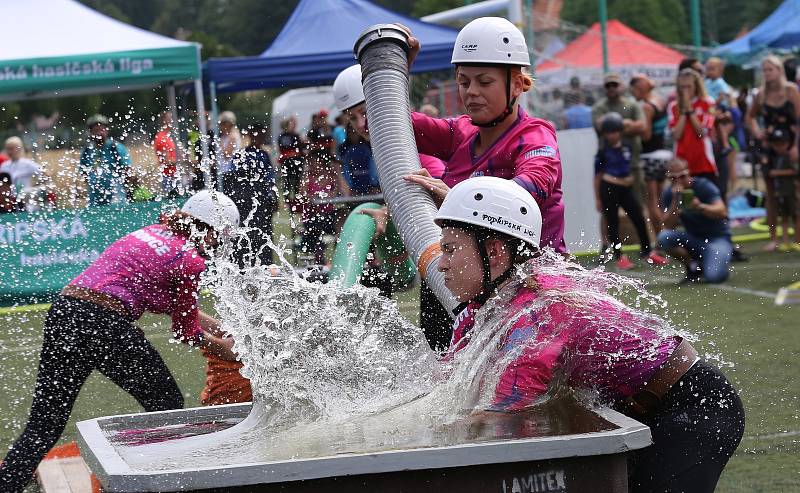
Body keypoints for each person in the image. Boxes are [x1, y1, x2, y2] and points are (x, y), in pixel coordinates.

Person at [434, 176, 744, 493]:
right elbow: (446, 378)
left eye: (449, 249)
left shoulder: (544, 309)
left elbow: (504, 412)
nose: (441, 263)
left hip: (694, 407)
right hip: (638, 405)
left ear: (496, 252)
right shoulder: (493, 300)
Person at [0, 190, 240, 493]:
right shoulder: (189, 260)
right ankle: (142, 478)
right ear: (212, 229)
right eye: (222, 235)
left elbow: (174, 306)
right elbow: (186, 332)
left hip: (66, 310)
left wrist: (224, 328)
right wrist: (232, 350)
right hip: (103, 321)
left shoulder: (152, 232)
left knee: (44, 424)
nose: (220, 244)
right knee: (166, 404)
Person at [333, 62, 451, 350]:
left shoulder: (410, 138)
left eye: (365, 111)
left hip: (450, 259)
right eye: (353, 117)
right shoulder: (389, 146)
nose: (361, 124)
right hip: (440, 259)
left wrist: (388, 211)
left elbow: (427, 179)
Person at [594, 113, 667, 270]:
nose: (611, 135)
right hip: (609, 187)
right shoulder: (602, 151)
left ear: (620, 131)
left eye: (614, 131)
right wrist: (598, 198)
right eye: (608, 132)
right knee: (613, 222)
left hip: (626, 188)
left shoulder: (627, 145)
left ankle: (647, 251)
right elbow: (597, 176)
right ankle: (619, 255)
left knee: (639, 218)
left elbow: (638, 127)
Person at [746, 55, 800, 251]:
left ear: (779, 71)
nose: (767, 74)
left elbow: (798, 120)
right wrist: (757, 132)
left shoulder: (791, 90)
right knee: (770, 193)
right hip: (769, 147)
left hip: (790, 144)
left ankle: (796, 236)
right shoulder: (761, 95)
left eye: (770, 69)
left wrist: (795, 146)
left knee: (794, 190)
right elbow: (750, 117)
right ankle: (774, 237)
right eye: (765, 70)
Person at [658, 159, 733, 284]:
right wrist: (675, 203)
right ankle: (693, 266)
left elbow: (722, 211)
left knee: (714, 277)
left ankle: (716, 262)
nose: (678, 181)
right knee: (664, 237)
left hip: (717, 239)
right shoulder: (669, 194)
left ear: (689, 173)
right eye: (673, 178)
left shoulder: (703, 185)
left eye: (682, 176)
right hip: (694, 239)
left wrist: (700, 207)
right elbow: (667, 225)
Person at [223, 123, 279, 267]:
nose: (259, 138)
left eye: (262, 136)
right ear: (250, 135)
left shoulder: (264, 155)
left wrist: (273, 196)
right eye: (257, 135)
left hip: (261, 204)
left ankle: (264, 264)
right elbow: (233, 178)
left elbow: (270, 178)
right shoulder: (241, 155)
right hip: (243, 203)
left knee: (263, 236)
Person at [591, 73, 647, 198]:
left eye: (614, 85)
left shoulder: (632, 105)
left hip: (633, 163)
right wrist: (627, 124)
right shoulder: (599, 107)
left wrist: (613, 125)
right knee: (609, 208)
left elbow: (642, 126)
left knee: (638, 205)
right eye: (608, 85)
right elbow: (600, 127)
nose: (611, 88)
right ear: (604, 88)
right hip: (608, 167)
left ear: (620, 86)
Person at [630, 74, 671, 235]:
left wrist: (631, 129)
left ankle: (660, 238)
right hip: (663, 155)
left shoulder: (646, 106)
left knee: (652, 201)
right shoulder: (660, 100)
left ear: (639, 88)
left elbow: (646, 135)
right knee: (659, 201)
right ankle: (666, 234)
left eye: (634, 91)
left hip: (649, 157)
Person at [668, 68, 718, 183]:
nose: (685, 91)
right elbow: (676, 135)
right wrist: (684, 112)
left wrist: (690, 111)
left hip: (703, 161)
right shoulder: (673, 106)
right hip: (681, 162)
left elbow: (702, 132)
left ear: (696, 86)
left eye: (688, 87)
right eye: (682, 87)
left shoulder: (708, 102)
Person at [79, 114, 132, 206]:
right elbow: (84, 173)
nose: (99, 133)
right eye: (96, 130)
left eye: (102, 130)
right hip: (94, 200)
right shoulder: (87, 151)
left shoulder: (116, 148)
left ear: (107, 131)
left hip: (116, 199)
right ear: (91, 132)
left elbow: (128, 170)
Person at [762, 128, 800, 251]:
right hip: (780, 192)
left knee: (796, 215)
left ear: (788, 143)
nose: (779, 147)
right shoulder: (774, 158)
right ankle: (785, 241)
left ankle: (797, 240)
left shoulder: (791, 157)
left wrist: (777, 173)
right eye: (776, 144)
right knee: (783, 217)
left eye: (782, 144)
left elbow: (795, 171)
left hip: (791, 192)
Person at [1, 136, 45, 210]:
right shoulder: (4, 166)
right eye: (7, 149)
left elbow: (45, 174)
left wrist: (38, 187)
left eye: (11, 148)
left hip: (25, 201)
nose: (9, 151)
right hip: (10, 201)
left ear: (19, 148)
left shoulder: (27, 163)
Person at [277, 116, 305, 206]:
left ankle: (289, 200)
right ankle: (295, 199)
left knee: (288, 182)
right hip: (294, 161)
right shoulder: (294, 135)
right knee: (295, 181)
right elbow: (300, 148)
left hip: (286, 162)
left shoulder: (281, 136)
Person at [153, 110, 180, 197]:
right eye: (170, 119)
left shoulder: (168, 136)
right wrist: (183, 162)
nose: (173, 121)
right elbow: (167, 161)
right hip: (168, 176)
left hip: (172, 175)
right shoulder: (161, 138)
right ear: (164, 121)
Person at [218, 111, 242, 175]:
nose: (220, 125)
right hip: (223, 171)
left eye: (222, 123)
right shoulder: (226, 136)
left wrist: (220, 142)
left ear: (228, 123)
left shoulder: (233, 136)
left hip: (229, 171)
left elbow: (227, 155)